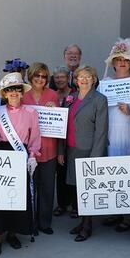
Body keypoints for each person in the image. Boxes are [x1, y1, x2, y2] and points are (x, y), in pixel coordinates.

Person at [0, 72, 41, 255]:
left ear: (21, 92)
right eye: (10, 90)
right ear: (5, 93)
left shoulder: (32, 112)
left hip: (20, 155)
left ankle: (12, 233)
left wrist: (32, 155)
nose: (14, 93)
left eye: (17, 89)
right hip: (1, 156)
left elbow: (35, 137)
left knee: (17, 196)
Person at [100, 38, 130, 233]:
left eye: (126, 60)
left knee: (128, 174)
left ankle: (128, 215)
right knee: (113, 174)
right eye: (118, 59)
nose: (122, 63)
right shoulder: (105, 84)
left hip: (129, 134)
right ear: (113, 63)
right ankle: (114, 211)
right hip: (110, 134)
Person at [58, 65, 108, 242]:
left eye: (88, 76)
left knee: (87, 189)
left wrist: (95, 157)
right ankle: (82, 221)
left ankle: (87, 225)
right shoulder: (70, 98)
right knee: (77, 188)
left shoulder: (99, 99)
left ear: (94, 79)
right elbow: (62, 126)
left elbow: (101, 131)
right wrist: (60, 150)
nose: (84, 79)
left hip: (88, 151)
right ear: (76, 80)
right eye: (81, 77)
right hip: (71, 149)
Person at [22, 63, 58, 234]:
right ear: (31, 76)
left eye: (44, 76)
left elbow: (60, 123)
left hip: (49, 148)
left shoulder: (53, 95)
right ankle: (30, 223)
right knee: (30, 187)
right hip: (30, 150)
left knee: (47, 188)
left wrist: (56, 110)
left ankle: (44, 223)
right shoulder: (23, 95)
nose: (40, 79)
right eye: (37, 75)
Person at [51, 66, 74, 217]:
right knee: (60, 172)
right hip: (55, 138)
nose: (59, 80)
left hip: (71, 137)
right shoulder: (52, 94)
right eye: (57, 77)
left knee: (71, 171)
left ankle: (75, 204)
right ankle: (62, 204)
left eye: (62, 77)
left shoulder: (75, 94)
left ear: (68, 78)